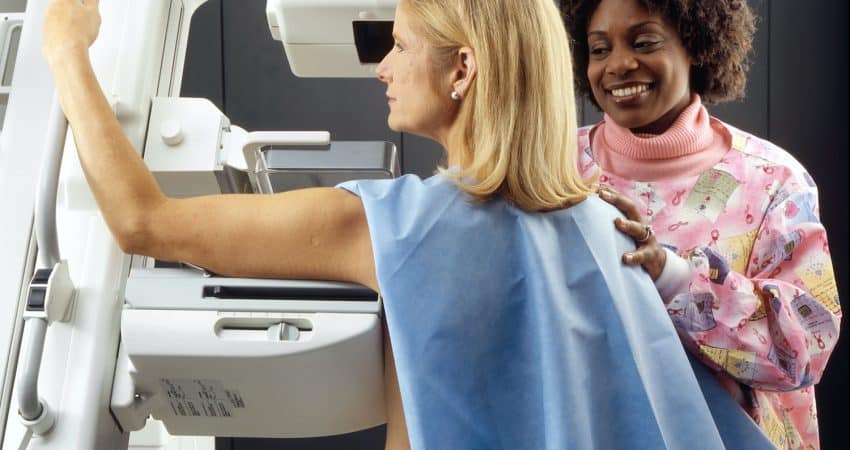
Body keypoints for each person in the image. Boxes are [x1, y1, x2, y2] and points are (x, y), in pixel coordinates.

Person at [43, 1, 774, 449]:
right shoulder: (603, 221)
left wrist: (66, 50)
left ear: (463, 68)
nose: (382, 68)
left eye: (398, 44)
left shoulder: (394, 225)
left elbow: (142, 221)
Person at [559, 0, 842, 448]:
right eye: (599, 49)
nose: (619, 65)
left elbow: (807, 347)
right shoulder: (554, 170)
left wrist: (674, 279)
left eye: (644, 42)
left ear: (696, 44)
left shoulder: (772, 181)